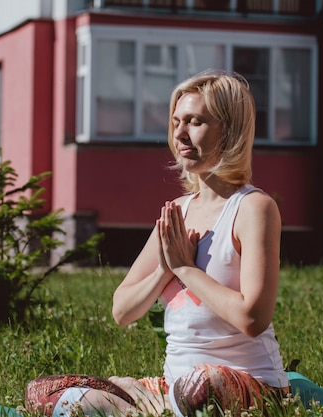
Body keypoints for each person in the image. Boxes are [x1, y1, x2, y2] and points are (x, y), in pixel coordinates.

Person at [24, 71, 289, 417]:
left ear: (230, 131)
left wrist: (185, 269)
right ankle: (157, 408)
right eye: (177, 121)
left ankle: (157, 408)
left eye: (195, 122)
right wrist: (164, 270)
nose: (180, 134)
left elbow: (253, 317)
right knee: (43, 393)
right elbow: (122, 310)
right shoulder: (179, 211)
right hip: (172, 385)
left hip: (245, 384)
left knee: (198, 389)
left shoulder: (254, 208)